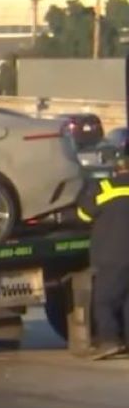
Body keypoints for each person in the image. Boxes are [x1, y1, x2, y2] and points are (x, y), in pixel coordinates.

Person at [77, 153, 129, 359]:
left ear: (116, 167)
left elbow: (84, 214)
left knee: (105, 300)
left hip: (113, 254)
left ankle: (109, 341)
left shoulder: (106, 187)